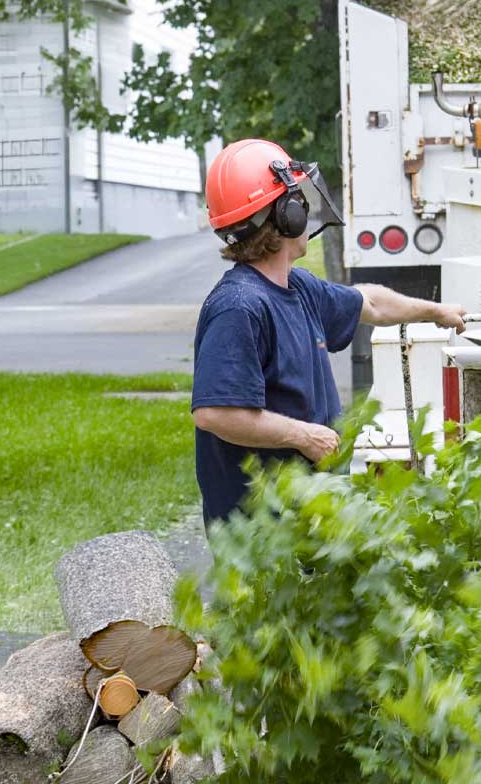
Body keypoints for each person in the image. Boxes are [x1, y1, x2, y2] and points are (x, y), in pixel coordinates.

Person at [190, 138, 466, 524]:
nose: (305, 207)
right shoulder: (240, 307)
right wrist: (304, 436)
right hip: (262, 535)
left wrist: (436, 311)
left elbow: (369, 303)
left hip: (307, 516)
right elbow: (215, 413)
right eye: (297, 199)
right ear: (285, 216)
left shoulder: (297, 287)